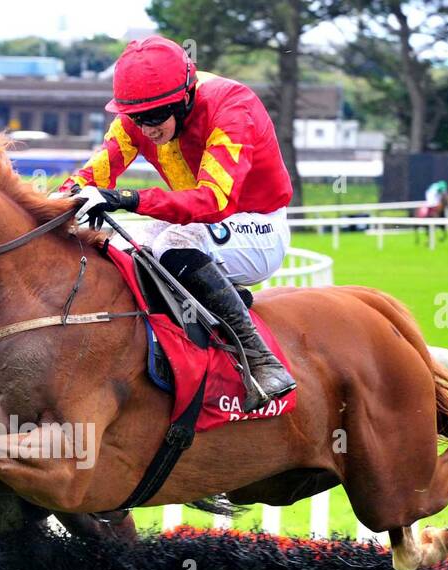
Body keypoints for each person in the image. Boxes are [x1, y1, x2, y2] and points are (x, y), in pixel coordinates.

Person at [57, 35, 296, 410]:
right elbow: (99, 169)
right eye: (136, 118)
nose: (146, 128)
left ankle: (260, 361)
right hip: (199, 224)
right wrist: (59, 201)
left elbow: (214, 200)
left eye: (155, 117)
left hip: (257, 225)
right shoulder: (136, 117)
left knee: (171, 246)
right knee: (118, 244)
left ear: (185, 98)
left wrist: (128, 199)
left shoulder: (233, 107)